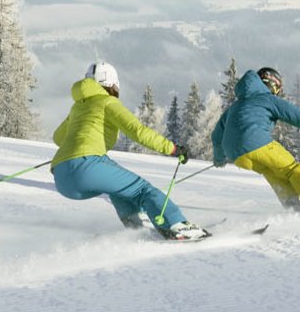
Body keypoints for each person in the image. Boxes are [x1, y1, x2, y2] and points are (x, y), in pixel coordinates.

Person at [50, 61, 210, 241]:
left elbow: (58, 137)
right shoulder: (107, 102)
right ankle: (176, 225)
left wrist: (75, 142)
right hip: (87, 166)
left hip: (62, 177)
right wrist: (172, 148)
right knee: (143, 190)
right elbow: (138, 131)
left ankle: (137, 226)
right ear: (112, 84)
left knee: (118, 189)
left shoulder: (78, 106)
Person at [210, 66, 300, 213]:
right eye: (279, 88)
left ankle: (294, 208)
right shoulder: (268, 99)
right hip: (257, 143)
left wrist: (219, 158)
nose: (278, 92)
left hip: (236, 155)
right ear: (272, 83)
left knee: (273, 173)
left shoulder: (234, 106)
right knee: (293, 169)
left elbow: (216, 135)